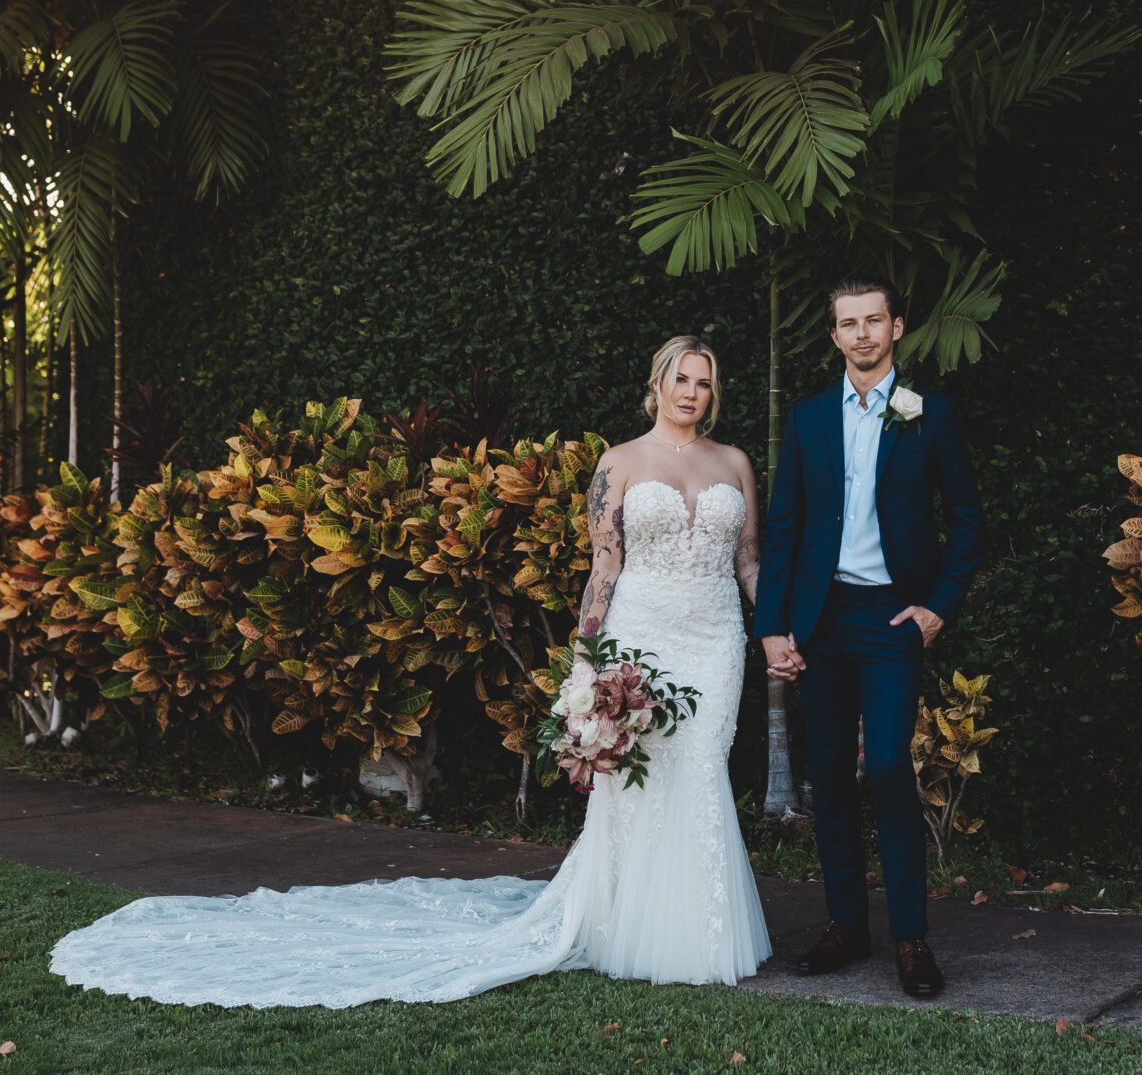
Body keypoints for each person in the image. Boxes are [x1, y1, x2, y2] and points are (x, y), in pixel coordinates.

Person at [48, 336, 773, 1006]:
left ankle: (700, 929)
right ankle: (632, 929)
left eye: (705, 382)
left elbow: (748, 562)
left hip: (714, 639)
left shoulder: (734, 463)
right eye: (682, 378)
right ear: (658, 383)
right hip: (639, 636)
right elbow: (604, 566)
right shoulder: (619, 462)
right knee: (638, 781)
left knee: (701, 767)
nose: (692, 392)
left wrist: (773, 631)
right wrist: (586, 658)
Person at [757, 276, 985, 999]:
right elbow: (785, 529)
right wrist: (773, 627)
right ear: (834, 335)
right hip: (822, 619)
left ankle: (910, 937)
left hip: (891, 619)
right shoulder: (808, 418)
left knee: (887, 765)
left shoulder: (930, 414)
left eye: (873, 320)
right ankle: (845, 924)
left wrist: (938, 606)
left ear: (896, 328)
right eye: (848, 323)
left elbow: (968, 520)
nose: (862, 333)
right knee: (828, 776)